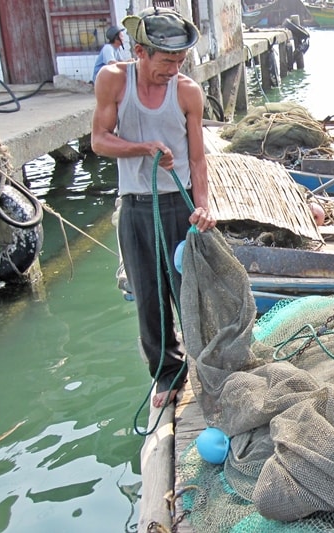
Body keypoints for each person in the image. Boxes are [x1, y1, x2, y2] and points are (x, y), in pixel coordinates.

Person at [91, 7, 217, 408]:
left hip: (177, 204)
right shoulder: (113, 81)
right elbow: (99, 140)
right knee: (148, 294)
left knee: (191, 292)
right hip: (136, 205)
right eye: (166, 61)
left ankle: (207, 370)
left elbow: (198, 160)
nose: (173, 69)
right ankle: (167, 373)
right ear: (140, 51)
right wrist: (142, 149)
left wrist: (204, 208)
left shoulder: (187, 92)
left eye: (179, 61)